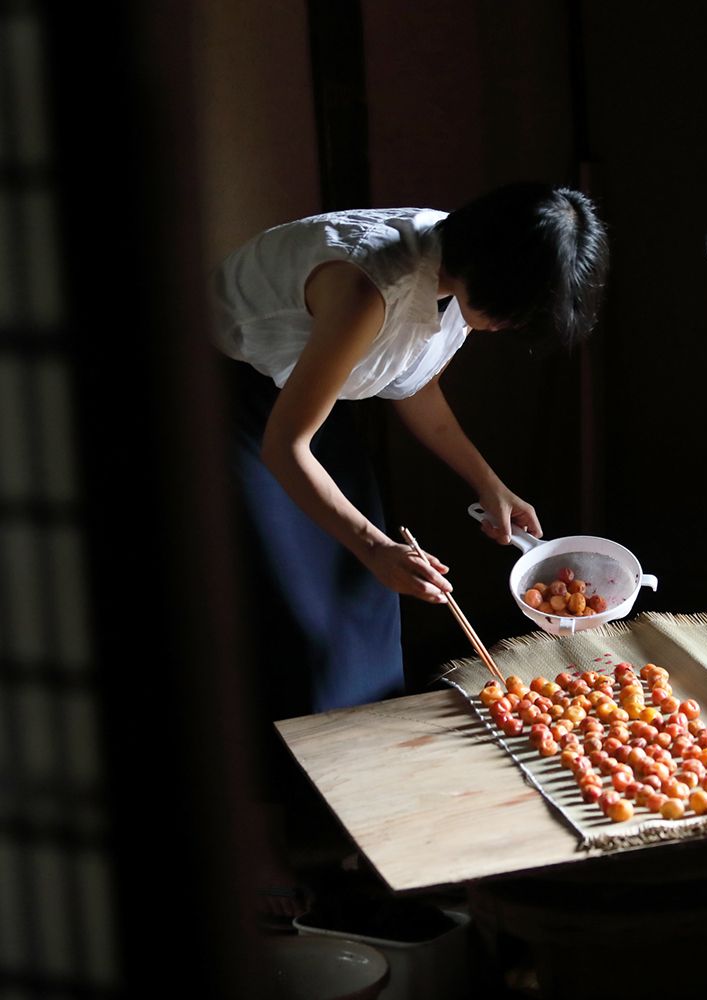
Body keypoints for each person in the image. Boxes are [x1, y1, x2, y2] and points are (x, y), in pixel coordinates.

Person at [214, 182, 607, 915]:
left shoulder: (449, 270)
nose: (505, 327)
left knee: (365, 609)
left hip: (307, 399)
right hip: (240, 408)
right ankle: (263, 844)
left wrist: (488, 482)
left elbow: (408, 382)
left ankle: (358, 828)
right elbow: (285, 443)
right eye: (514, 310)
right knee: (291, 618)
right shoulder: (371, 286)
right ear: (489, 270)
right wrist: (370, 544)